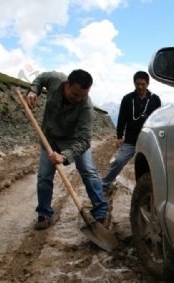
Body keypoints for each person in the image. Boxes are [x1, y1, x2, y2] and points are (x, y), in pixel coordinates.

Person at [25, 69, 108, 230]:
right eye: (75, 94)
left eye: (82, 96)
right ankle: (44, 214)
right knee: (44, 177)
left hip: (74, 141)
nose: (79, 99)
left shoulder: (86, 107)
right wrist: (33, 91)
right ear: (67, 84)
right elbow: (40, 78)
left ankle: (100, 212)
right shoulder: (55, 80)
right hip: (49, 137)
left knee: (89, 172)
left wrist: (64, 157)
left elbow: (85, 140)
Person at [102, 71, 161, 191]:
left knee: (152, 166)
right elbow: (122, 119)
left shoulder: (155, 99)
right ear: (134, 83)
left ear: (148, 84)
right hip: (131, 139)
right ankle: (104, 184)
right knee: (119, 161)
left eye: (143, 84)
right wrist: (119, 137)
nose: (140, 87)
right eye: (137, 84)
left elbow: (158, 119)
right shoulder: (127, 99)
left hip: (148, 140)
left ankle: (152, 189)